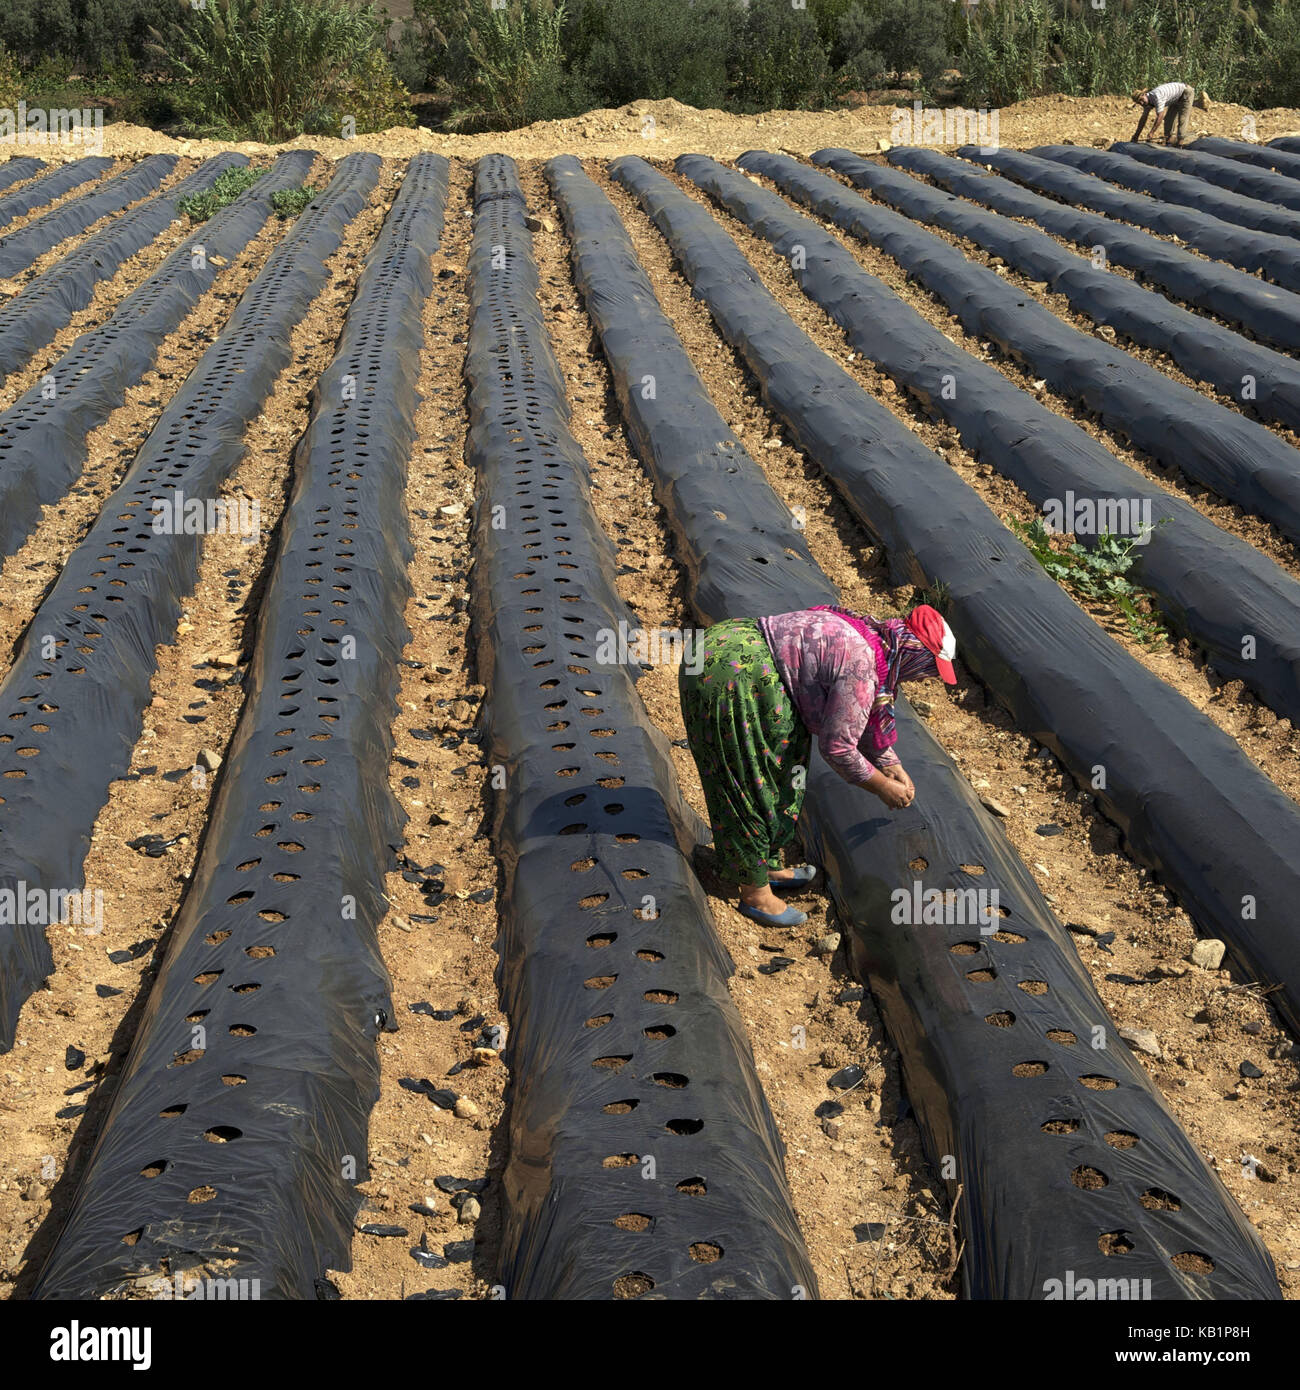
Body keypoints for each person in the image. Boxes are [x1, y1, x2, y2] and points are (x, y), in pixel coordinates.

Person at [679, 603, 957, 928]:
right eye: (928, 667)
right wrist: (883, 787)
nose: (924, 676)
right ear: (914, 651)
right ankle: (754, 893)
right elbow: (838, 748)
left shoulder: (873, 642)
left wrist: (891, 765)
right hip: (736, 675)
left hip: (740, 652)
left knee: (780, 767)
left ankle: (764, 865)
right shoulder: (864, 667)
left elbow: (856, 717)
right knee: (748, 780)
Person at [1130, 82, 1209, 146]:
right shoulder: (1147, 102)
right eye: (1139, 102)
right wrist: (1136, 135)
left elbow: (1160, 116)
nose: (1142, 103)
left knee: (1182, 118)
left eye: (1142, 100)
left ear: (1144, 94)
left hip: (1185, 92)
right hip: (1174, 99)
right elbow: (1143, 119)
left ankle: (1180, 143)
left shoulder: (1156, 96)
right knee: (1168, 119)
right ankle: (1169, 140)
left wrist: (1152, 132)